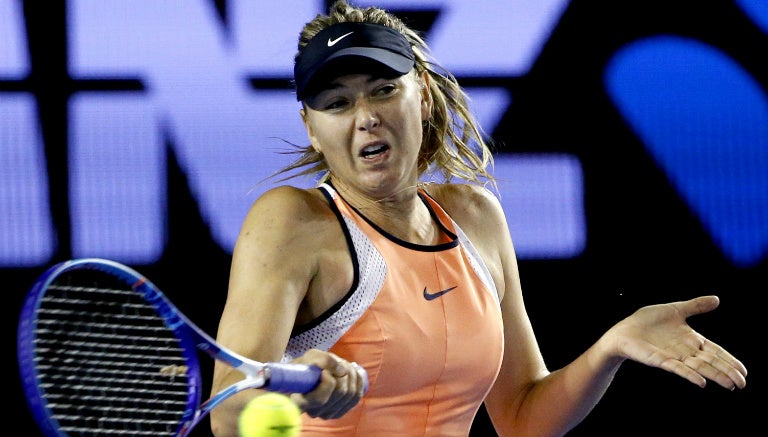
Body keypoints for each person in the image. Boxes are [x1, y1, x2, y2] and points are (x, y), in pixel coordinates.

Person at [209, 1, 748, 436]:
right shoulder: (291, 221)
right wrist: (295, 391)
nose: (366, 116)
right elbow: (229, 412)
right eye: (337, 103)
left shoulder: (475, 217)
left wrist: (612, 346)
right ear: (311, 127)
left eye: (384, 90)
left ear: (422, 93)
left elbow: (523, 418)